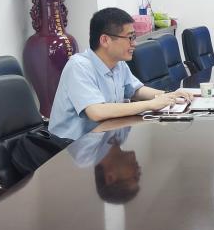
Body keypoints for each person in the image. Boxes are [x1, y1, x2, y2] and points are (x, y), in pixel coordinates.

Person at [49, 7, 192, 141]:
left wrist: (168, 95)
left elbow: (135, 90)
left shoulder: (118, 63)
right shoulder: (79, 66)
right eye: (130, 37)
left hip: (104, 137)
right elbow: (97, 112)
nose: (134, 43)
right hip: (71, 145)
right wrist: (151, 104)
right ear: (105, 40)